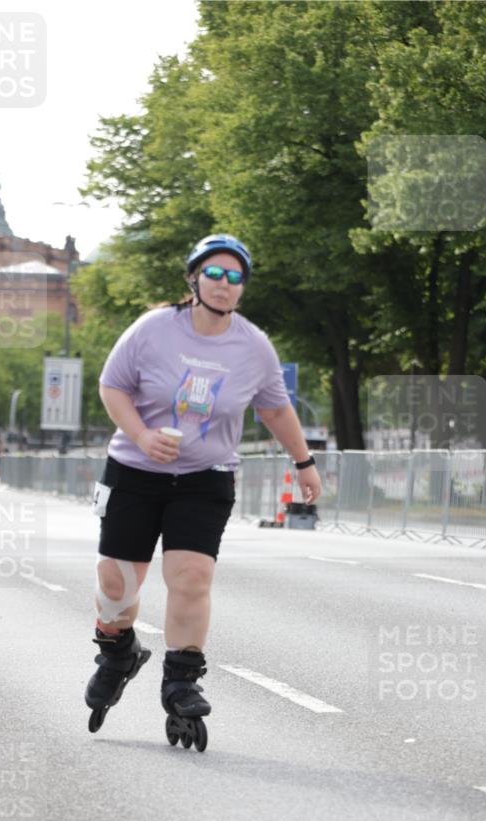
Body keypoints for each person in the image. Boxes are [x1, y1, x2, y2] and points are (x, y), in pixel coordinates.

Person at [85, 232, 323, 750]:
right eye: (214, 273)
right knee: (117, 585)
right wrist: (143, 434)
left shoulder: (252, 345)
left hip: (205, 476)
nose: (223, 284)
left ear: (242, 289)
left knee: (191, 576)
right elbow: (112, 386)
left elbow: (275, 408)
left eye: (235, 277)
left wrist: (303, 462)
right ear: (193, 279)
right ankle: (117, 651)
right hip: (134, 471)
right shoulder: (152, 330)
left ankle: (182, 680)